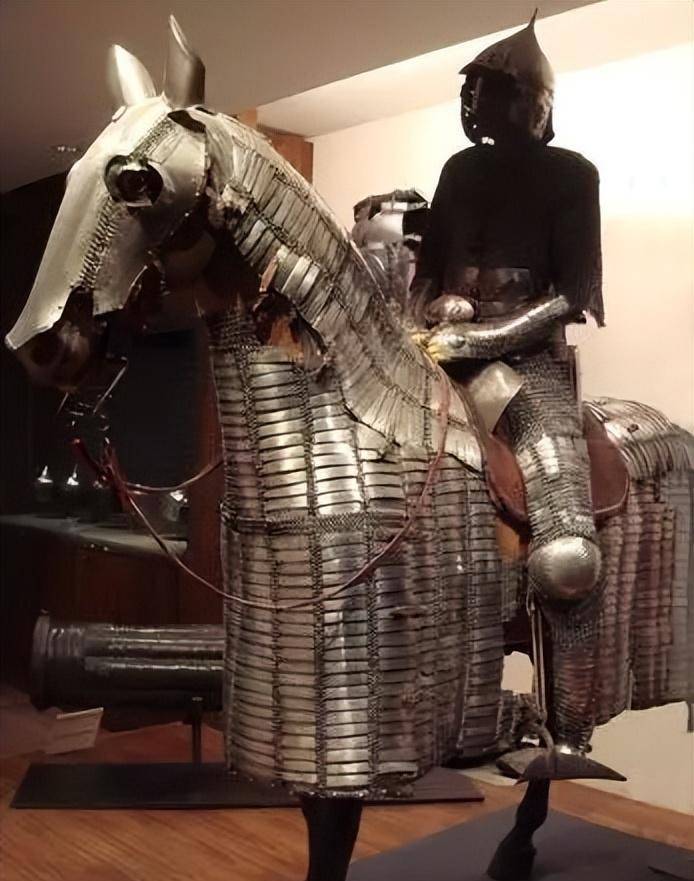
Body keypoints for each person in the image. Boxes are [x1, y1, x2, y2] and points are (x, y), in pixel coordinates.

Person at [415, 12, 605, 607]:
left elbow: (572, 295)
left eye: (491, 90)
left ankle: (565, 562)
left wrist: (483, 341)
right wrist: (417, 320)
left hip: (526, 365)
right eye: (474, 91)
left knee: (565, 548)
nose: (477, 102)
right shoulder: (459, 170)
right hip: (439, 354)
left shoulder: (572, 176)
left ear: (531, 101)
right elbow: (425, 273)